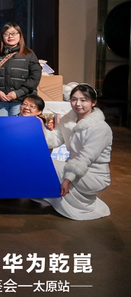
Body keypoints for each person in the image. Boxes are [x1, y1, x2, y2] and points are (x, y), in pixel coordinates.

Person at [43, 84, 113, 220]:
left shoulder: (100, 128)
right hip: (75, 168)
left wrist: (67, 179)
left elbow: (85, 158)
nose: (78, 104)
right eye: (74, 99)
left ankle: (78, 205)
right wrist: (40, 128)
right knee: (44, 163)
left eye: (84, 100)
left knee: (49, 164)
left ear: (93, 103)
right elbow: (55, 139)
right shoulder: (68, 120)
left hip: (94, 176)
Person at [0, 23, 43, 116]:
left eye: (14, 33)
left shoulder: (29, 54)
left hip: (21, 101)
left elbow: (35, 76)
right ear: (2, 36)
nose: (10, 36)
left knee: (18, 125)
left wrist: (18, 93)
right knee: (0, 125)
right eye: (6, 34)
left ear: (20, 35)